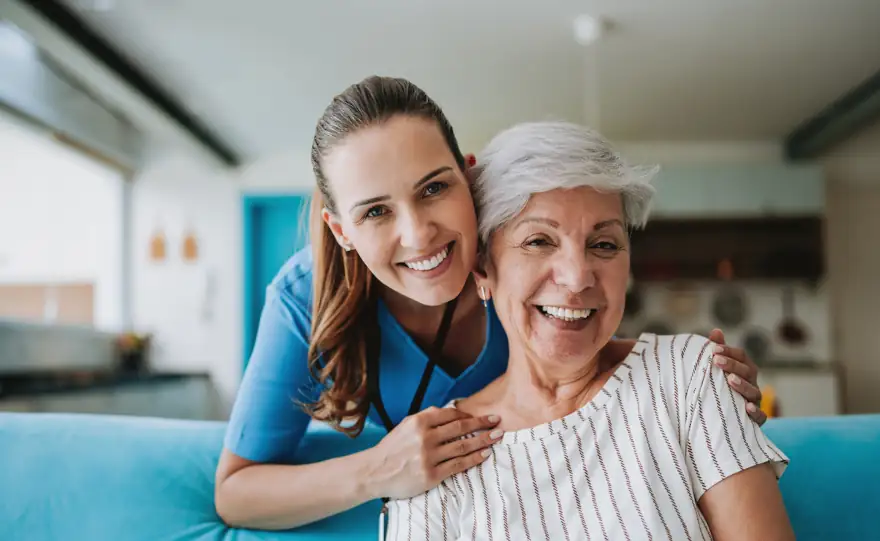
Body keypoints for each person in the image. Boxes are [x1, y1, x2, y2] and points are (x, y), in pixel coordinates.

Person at [214, 76, 768, 530]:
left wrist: (681, 370)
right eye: (376, 212)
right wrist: (379, 470)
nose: (419, 235)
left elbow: (570, 325)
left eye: (434, 188)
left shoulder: (508, 247)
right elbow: (236, 492)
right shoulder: (304, 296)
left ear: (468, 176)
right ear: (341, 231)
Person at [386, 120, 794, 540]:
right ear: (483, 268)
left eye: (604, 245)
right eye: (539, 241)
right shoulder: (434, 457)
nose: (577, 278)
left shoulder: (688, 376)